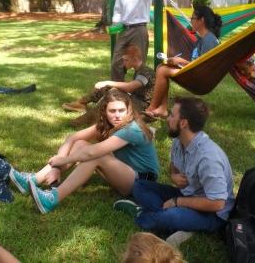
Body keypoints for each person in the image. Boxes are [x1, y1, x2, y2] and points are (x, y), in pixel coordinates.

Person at [8, 89, 160, 213]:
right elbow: (73, 138)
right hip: (126, 174)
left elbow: (92, 153)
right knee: (81, 143)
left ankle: (51, 199)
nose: (117, 115)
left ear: (129, 111)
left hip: (143, 183)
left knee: (95, 156)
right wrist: (56, 168)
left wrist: (63, 161)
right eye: (112, 111)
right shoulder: (108, 124)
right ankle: (33, 180)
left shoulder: (131, 129)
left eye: (122, 110)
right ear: (105, 112)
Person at [116, 97, 234, 247]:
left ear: (183, 123)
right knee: (139, 186)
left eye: (172, 115)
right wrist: (173, 175)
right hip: (188, 194)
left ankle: (144, 215)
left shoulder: (208, 158)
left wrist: (177, 202)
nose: (167, 118)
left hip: (212, 214)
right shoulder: (179, 141)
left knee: (170, 216)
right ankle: (177, 223)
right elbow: (173, 166)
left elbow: (217, 203)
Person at [144, 6, 222, 119]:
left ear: (202, 20)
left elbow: (203, 66)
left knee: (162, 70)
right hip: (195, 72)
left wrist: (181, 61)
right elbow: (198, 61)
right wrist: (178, 62)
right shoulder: (203, 38)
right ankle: (162, 108)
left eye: (193, 18)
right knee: (162, 66)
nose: (191, 21)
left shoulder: (209, 40)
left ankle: (152, 108)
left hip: (201, 78)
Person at [62, 45, 155, 126]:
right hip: (136, 99)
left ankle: (81, 122)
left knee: (111, 97)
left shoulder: (146, 72)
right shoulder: (140, 70)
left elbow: (130, 87)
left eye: (126, 60)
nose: (123, 63)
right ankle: (81, 103)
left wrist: (108, 82)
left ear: (134, 59)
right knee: (109, 89)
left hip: (143, 106)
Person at [111, 0, 164, 81]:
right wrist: (115, 22)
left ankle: (137, 92)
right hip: (124, 29)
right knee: (116, 62)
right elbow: (118, 9)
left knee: (139, 63)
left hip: (139, 29)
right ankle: (117, 91)